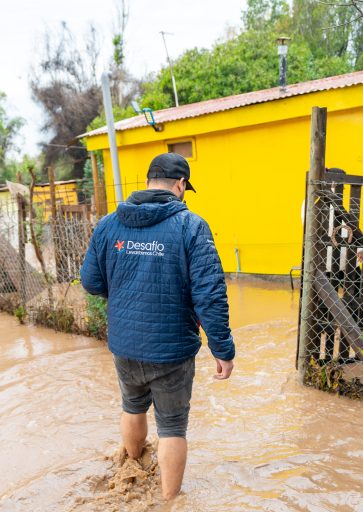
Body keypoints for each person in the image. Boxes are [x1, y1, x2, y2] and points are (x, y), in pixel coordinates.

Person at [80, 152, 235, 500]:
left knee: (131, 406)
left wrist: (123, 293)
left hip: (125, 344)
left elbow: (90, 282)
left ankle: (131, 465)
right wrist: (222, 349)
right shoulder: (191, 227)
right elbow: (210, 295)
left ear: (148, 181)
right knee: (172, 427)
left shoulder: (108, 225)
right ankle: (169, 502)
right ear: (181, 185)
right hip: (172, 349)